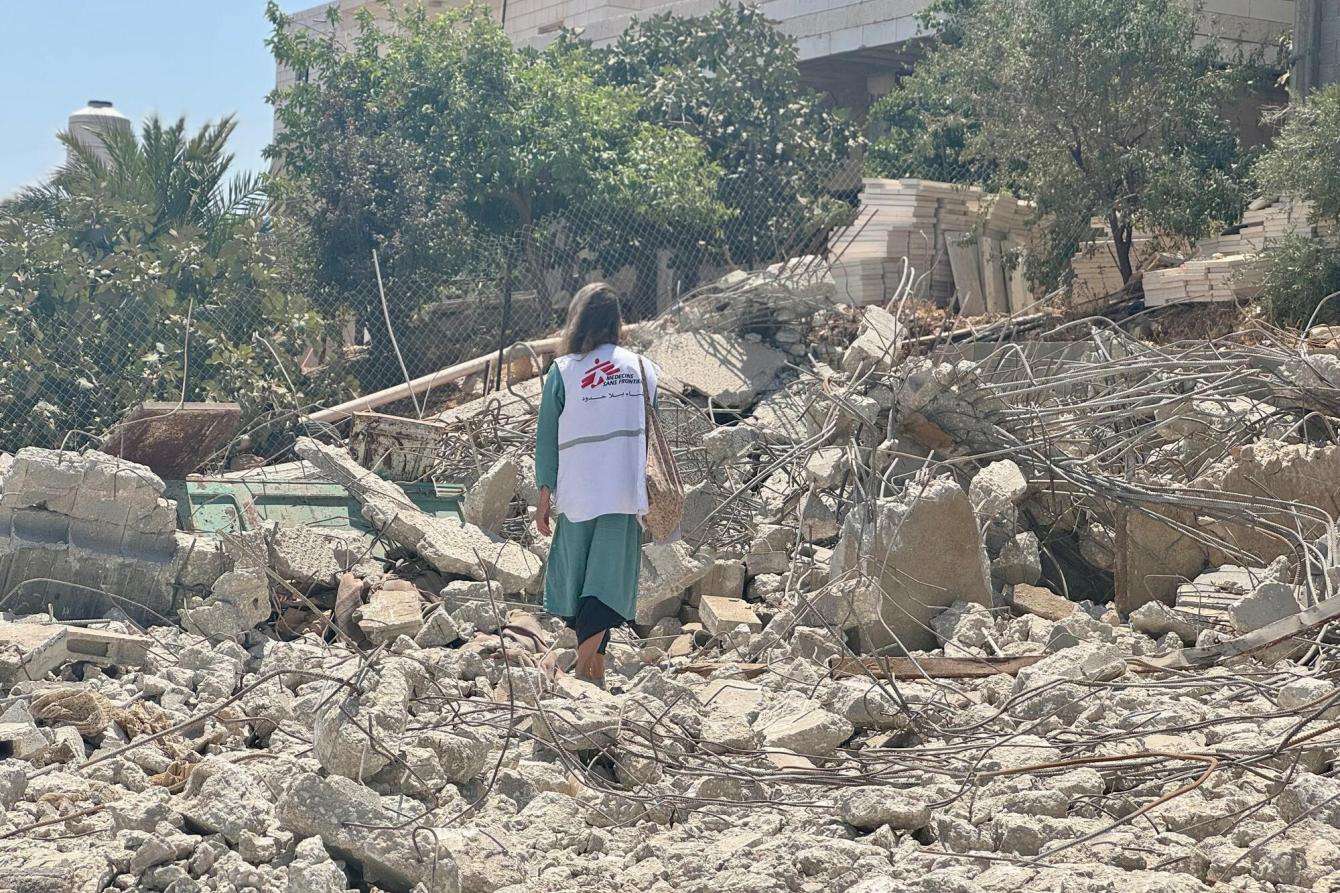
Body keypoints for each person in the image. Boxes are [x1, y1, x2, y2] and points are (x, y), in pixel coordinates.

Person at [534, 282, 657, 688]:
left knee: (579, 586)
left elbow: (547, 438)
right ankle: (594, 675)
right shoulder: (642, 368)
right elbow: (653, 436)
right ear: (616, 322)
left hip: (579, 494)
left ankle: (584, 677)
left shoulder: (564, 372)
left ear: (578, 320)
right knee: (603, 586)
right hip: (624, 494)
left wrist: (543, 497)